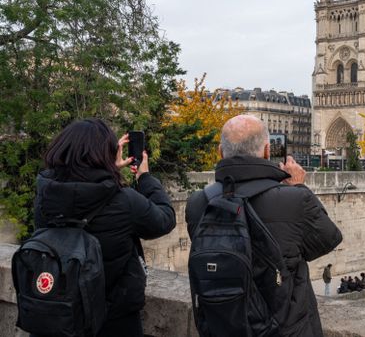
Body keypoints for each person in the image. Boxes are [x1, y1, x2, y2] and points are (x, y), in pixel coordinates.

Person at [185, 115, 342, 337]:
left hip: (223, 329)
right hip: (286, 330)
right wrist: (299, 188)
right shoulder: (294, 201)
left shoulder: (198, 203)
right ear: (268, 151)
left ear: (220, 152)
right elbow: (329, 239)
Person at [33, 119, 176, 337]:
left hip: (57, 313)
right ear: (107, 153)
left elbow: (80, 193)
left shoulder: (46, 194)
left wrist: (109, 170)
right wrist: (144, 177)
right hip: (111, 318)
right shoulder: (123, 200)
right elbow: (164, 220)